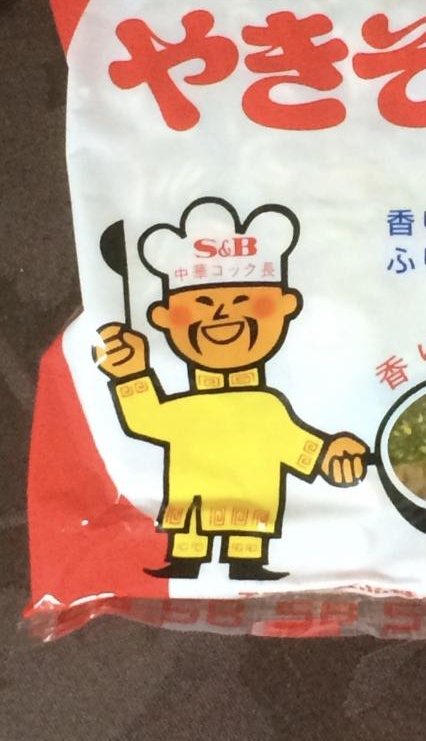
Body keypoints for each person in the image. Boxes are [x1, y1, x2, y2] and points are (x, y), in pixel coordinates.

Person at [93, 197, 368, 580]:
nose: (222, 313)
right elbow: (145, 419)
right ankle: (188, 559)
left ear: (287, 305)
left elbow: (299, 444)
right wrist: (131, 374)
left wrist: (331, 454)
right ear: (162, 317)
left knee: (247, 535)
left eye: (243, 301)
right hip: (193, 503)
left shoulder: (267, 407)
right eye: (202, 303)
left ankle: (244, 560)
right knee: (191, 532)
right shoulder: (189, 408)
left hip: (252, 506)